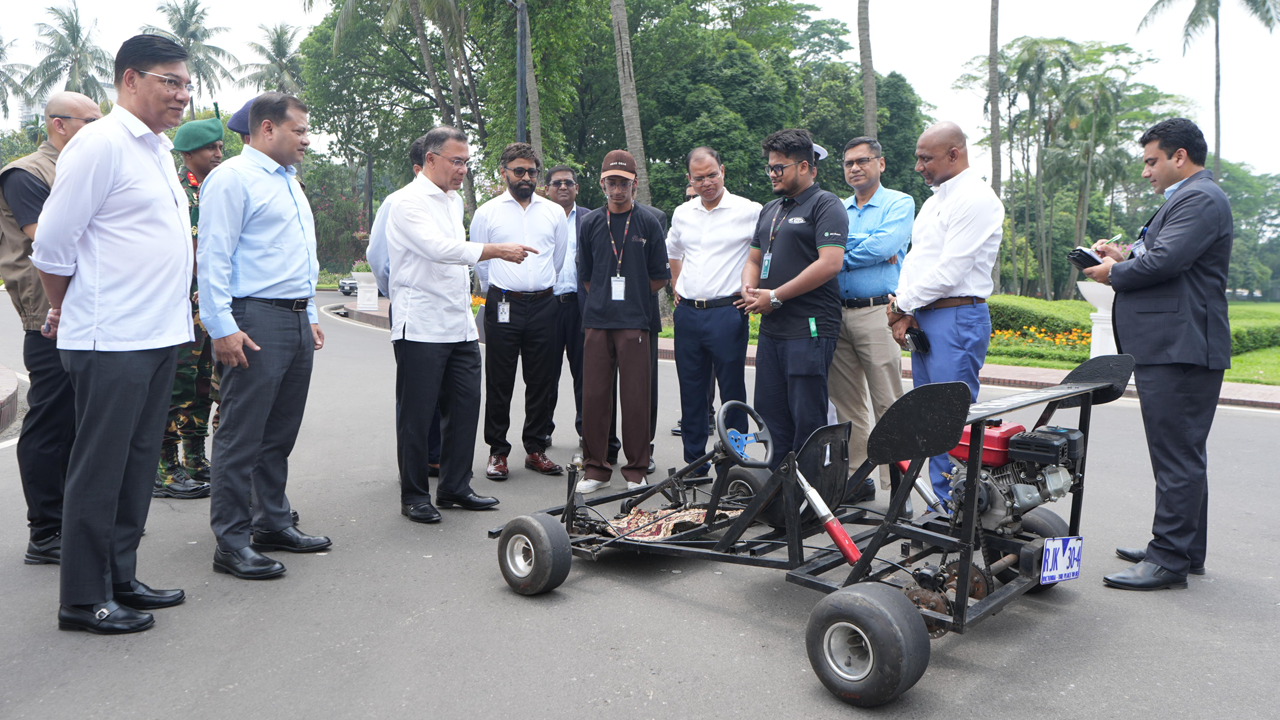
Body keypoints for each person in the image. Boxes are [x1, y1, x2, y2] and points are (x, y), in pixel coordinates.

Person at [32, 35, 195, 634]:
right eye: (169, 81)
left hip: (156, 334)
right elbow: (50, 245)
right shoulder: (99, 144)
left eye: (185, 83)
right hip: (110, 338)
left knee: (135, 467)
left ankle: (119, 576)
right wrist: (67, 308)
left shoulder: (154, 148)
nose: (181, 94)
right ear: (131, 79)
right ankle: (81, 598)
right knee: (99, 470)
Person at [1083, 119, 1232, 592]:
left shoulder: (1200, 198)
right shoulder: (1189, 199)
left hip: (1179, 347)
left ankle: (1168, 559)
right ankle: (1184, 549)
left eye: (1152, 161)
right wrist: (1122, 256)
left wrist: (1113, 271)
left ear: (1179, 156)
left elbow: (1166, 261)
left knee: (1176, 456)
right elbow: (1164, 257)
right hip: (1174, 344)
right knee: (1182, 452)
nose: (1146, 172)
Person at [198, 92, 331, 580]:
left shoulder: (290, 182)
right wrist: (222, 326)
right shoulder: (232, 179)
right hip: (253, 320)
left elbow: (299, 256)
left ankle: (271, 522)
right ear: (268, 129)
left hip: (294, 319)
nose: (306, 139)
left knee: (278, 433)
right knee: (240, 435)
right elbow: (213, 256)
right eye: (299, 130)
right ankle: (231, 541)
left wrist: (311, 311)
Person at [384, 126, 530, 522]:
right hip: (421, 325)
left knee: (465, 408)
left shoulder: (451, 202)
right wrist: (495, 250)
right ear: (430, 159)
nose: (463, 169)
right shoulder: (406, 202)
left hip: (459, 324)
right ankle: (414, 496)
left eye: (467, 162)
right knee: (417, 416)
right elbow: (437, 249)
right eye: (457, 161)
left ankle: (454, 486)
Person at [0, 91, 101, 566]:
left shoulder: (81, 166)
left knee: (84, 421)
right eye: (89, 121)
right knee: (51, 420)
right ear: (59, 125)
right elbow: (50, 237)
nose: (99, 129)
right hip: (49, 315)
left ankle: (76, 521)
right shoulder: (27, 173)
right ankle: (46, 530)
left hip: (86, 309)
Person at [886, 122, 1003, 504]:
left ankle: (961, 510)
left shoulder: (975, 198)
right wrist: (904, 310)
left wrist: (902, 305)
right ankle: (942, 506)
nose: (919, 166)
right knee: (929, 419)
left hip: (956, 317)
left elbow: (950, 271)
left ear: (955, 154)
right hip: (928, 316)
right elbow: (918, 261)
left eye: (926, 158)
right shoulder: (936, 200)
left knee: (950, 420)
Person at [738, 128, 847, 470]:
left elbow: (830, 263)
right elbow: (754, 258)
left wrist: (777, 296)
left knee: (807, 422)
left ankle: (810, 505)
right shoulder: (771, 209)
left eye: (779, 168)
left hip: (809, 328)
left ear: (803, 167)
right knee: (771, 418)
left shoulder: (826, 205)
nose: (772, 174)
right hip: (773, 331)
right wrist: (749, 287)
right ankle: (777, 498)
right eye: (770, 167)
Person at [575, 150, 670, 493]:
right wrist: (604, 295)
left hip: (635, 322)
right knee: (595, 396)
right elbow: (586, 276)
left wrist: (630, 298)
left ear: (635, 184)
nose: (617, 190)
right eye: (611, 182)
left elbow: (660, 275)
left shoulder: (647, 222)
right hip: (598, 321)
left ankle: (636, 470)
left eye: (624, 183)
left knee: (635, 397)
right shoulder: (589, 223)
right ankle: (596, 470)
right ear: (602, 183)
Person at [473, 143, 568, 480]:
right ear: (504, 173)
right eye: (519, 171)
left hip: (544, 304)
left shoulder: (553, 213)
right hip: (503, 304)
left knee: (542, 380)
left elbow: (556, 261)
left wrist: (538, 286)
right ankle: (497, 451)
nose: (526, 177)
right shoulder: (487, 212)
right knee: (500, 381)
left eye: (531, 171)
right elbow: (481, 262)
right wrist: (502, 285)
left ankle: (536, 449)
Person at [828, 137, 913, 507]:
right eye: (848, 163)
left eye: (862, 161)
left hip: (878, 312)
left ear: (881, 163)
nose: (854, 168)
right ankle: (858, 480)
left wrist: (840, 253)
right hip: (837, 312)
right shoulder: (836, 208)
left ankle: (901, 488)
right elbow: (872, 248)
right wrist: (869, 247)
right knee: (847, 406)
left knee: (888, 403)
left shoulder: (900, 202)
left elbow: (885, 245)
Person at [666, 146, 760, 469]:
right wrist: (677, 286)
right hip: (688, 314)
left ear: (723, 171)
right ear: (689, 180)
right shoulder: (683, 213)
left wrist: (753, 290)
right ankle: (694, 463)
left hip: (727, 313)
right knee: (691, 392)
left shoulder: (749, 211)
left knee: (732, 392)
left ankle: (734, 464)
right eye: (698, 178)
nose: (706, 182)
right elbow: (673, 252)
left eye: (711, 175)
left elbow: (765, 254)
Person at [153, 114, 225, 500]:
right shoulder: (177, 190)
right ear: (188, 153)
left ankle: (195, 459)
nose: (218, 153)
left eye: (219, 147)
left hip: (209, 306)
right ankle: (164, 467)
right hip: (179, 306)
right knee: (174, 385)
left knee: (202, 386)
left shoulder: (216, 188)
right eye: (210, 148)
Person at [369, 136, 443, 478]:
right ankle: (416, 463)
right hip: (411, 307)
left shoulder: (450, 203)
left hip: (443, 311)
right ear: (422, 166)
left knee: (444, 390)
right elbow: (378, 256)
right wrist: (395, 289)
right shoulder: (398, 203)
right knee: (415, 393)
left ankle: (436, 455)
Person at [542, 165, 592, 465]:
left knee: (585, 373)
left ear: (576, 188)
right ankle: (541, 432)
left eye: (568, 183)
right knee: (544, 373)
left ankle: (587, 431)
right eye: (556, 183)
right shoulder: (538, 217)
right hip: (546, 305)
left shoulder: (591, 218)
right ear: (547, 188)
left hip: (580, 306)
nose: (563, 187)